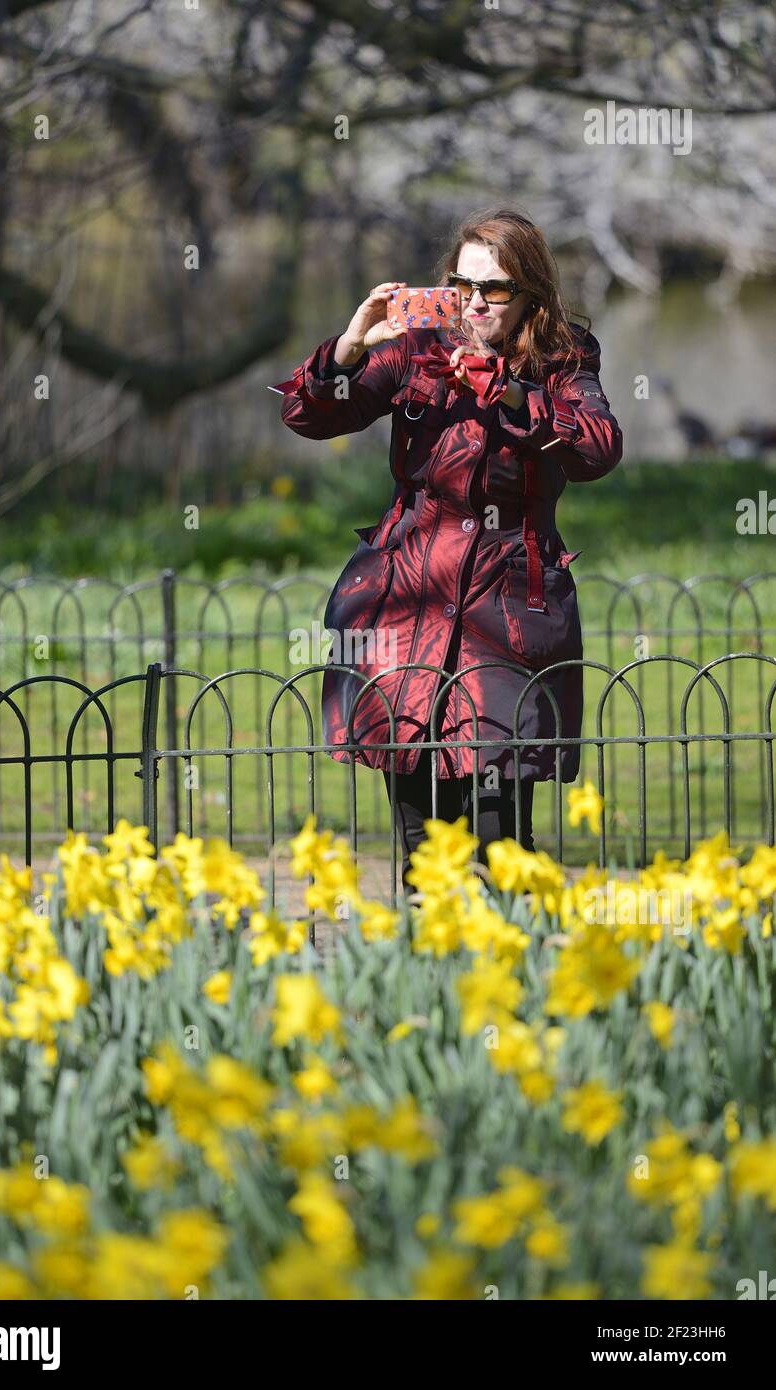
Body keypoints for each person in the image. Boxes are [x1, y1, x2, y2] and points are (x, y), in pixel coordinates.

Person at [273, 208, 622, 892]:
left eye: (493, 288)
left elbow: (595, 450)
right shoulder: (415, 348)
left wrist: (508, 392)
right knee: (423, 839)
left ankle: (504, 967)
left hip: (507, 604)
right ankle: (422, 973)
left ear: (530, 292)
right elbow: (311, 416)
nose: (474, 302)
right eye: (462, 285)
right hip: (405, 597)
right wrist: (350, 346)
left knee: (500, 830)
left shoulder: (565, 357)